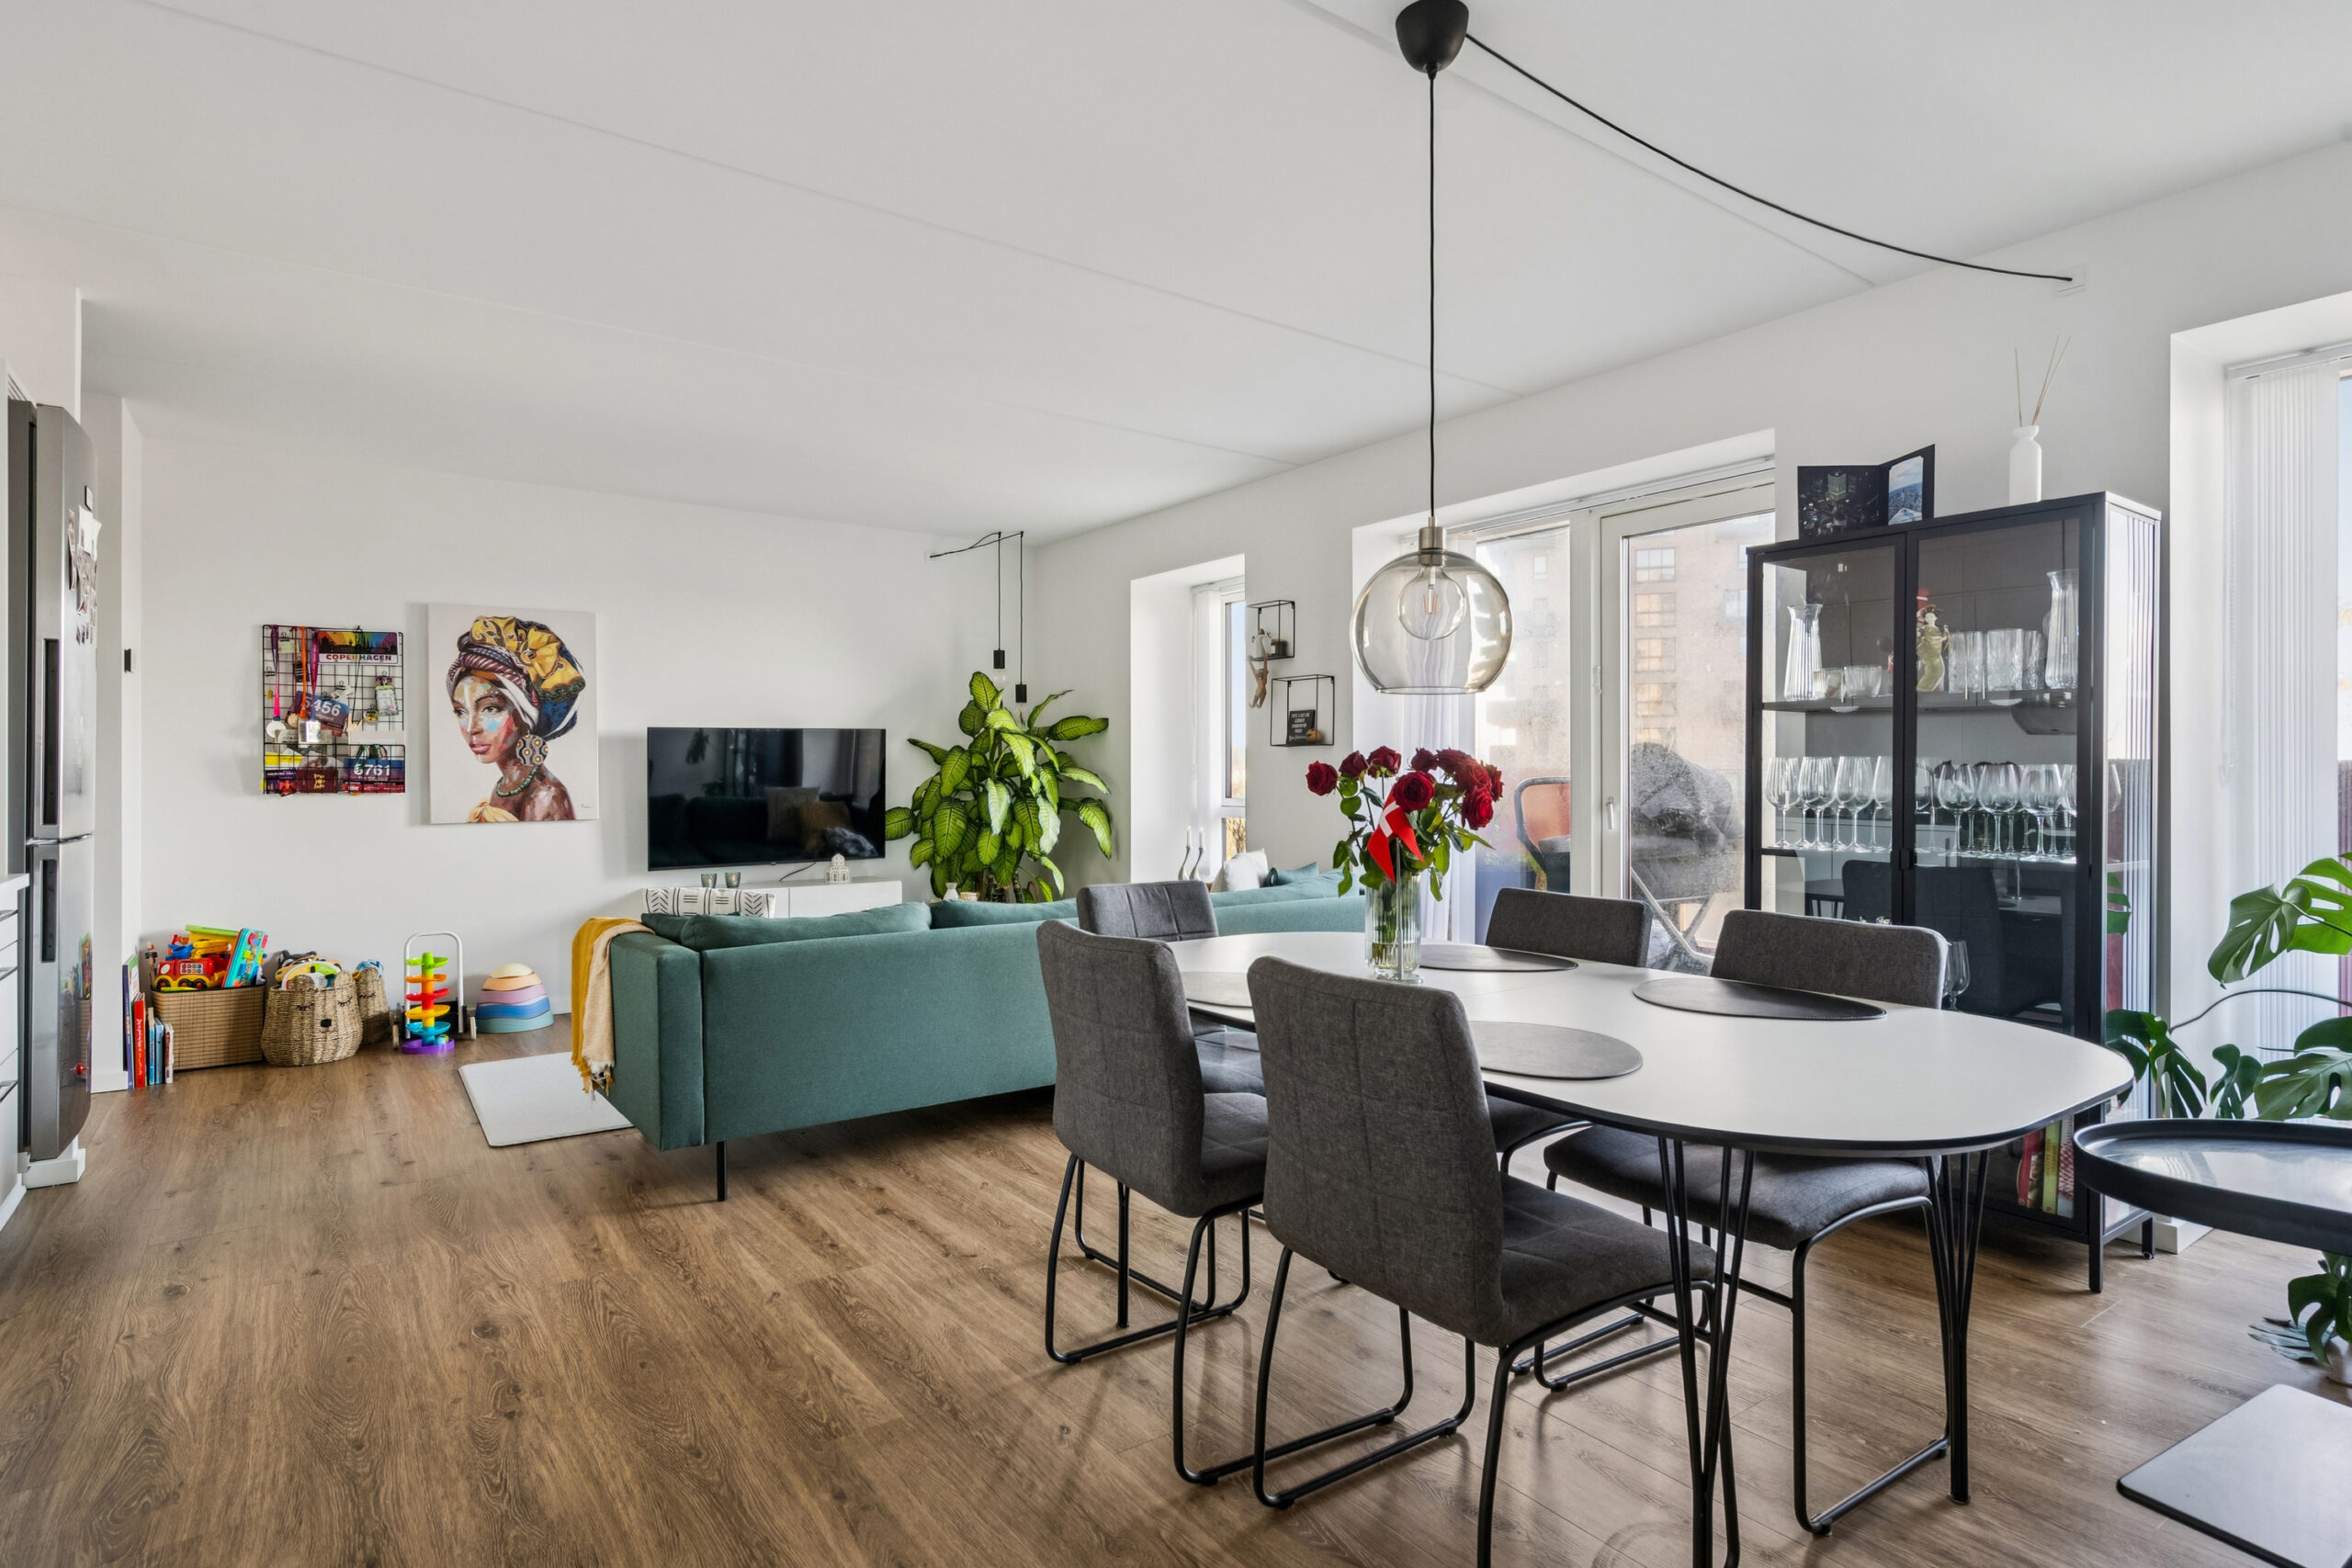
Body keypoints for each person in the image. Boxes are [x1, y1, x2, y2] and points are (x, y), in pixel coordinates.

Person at [446, 615, 584, 822]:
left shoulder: (543, 796)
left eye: (490, 709)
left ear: (526, 715)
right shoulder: (504, 787)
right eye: (460, 712)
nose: (471, 727)